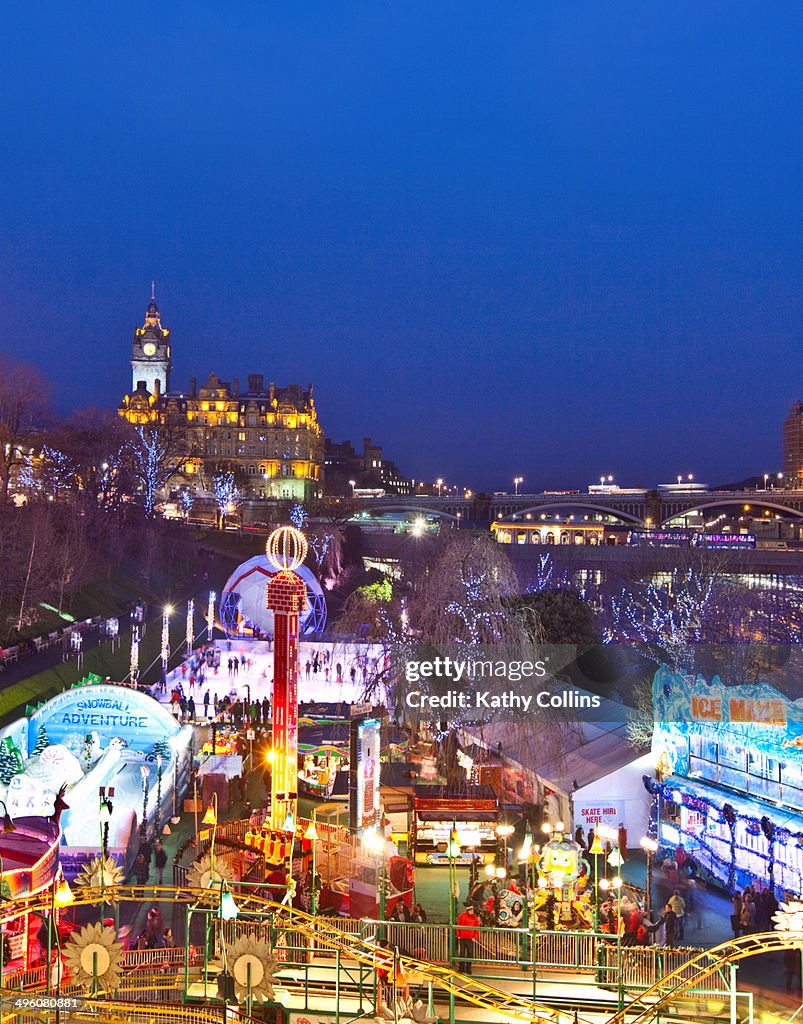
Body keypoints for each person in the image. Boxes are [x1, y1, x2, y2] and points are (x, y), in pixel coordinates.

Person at [455, 902, 480, 975]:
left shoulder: (474, 917)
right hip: (463, 937)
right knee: (462, 953)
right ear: (468, 910)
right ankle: (461, 968)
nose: (472, 911)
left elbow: (477, 928)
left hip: (470, 938)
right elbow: (458, 926)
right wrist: (458, 935)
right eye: (471, 910)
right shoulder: (462, 916)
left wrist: (474, 937)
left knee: (470, 953)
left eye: (472, 910)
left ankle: (468, 968)